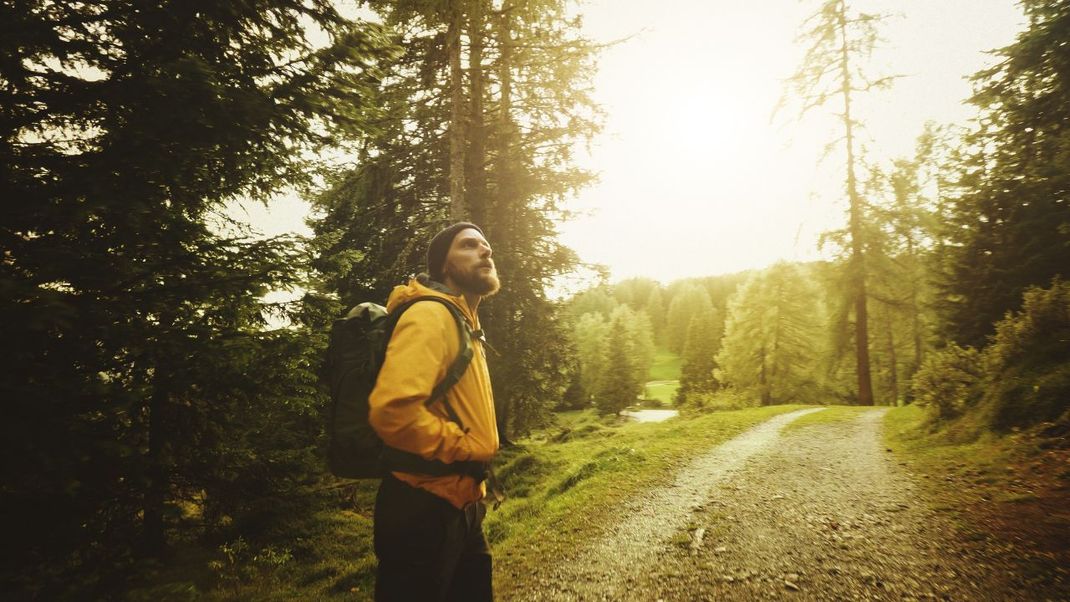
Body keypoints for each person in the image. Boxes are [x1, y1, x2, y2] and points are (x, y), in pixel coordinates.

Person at [368, 222, 501, 602]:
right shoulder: (430, 316)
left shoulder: (465, 323)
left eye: (486, 245)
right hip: (421, 507)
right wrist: (466, 448)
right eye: (469, 245)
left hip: (462, 504)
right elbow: (393, 410)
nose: (485, 251)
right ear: (445, 265)